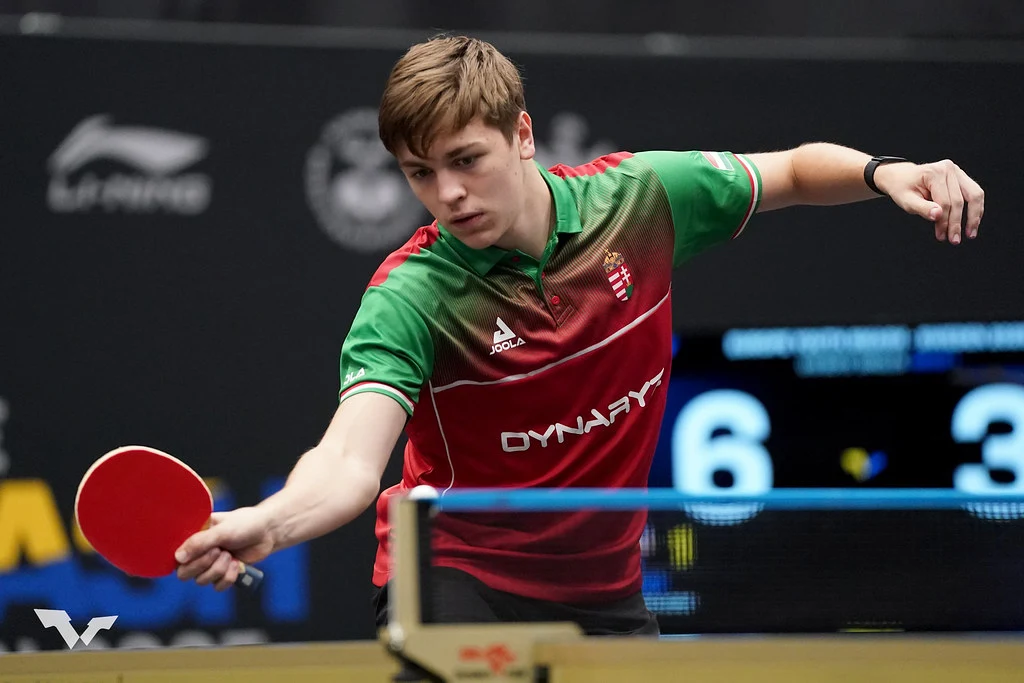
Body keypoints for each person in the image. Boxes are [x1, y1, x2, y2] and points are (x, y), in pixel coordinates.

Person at [174, 35, 985, 636]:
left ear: (522, 134)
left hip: (608, 588)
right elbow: (350, 463)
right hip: (460, 579)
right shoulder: (410, 296)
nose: (448, 194)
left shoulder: (641, 202)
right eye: (421, 173)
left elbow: (794, 171)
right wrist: (271, 523)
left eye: (466, 159)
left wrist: (888, 172)